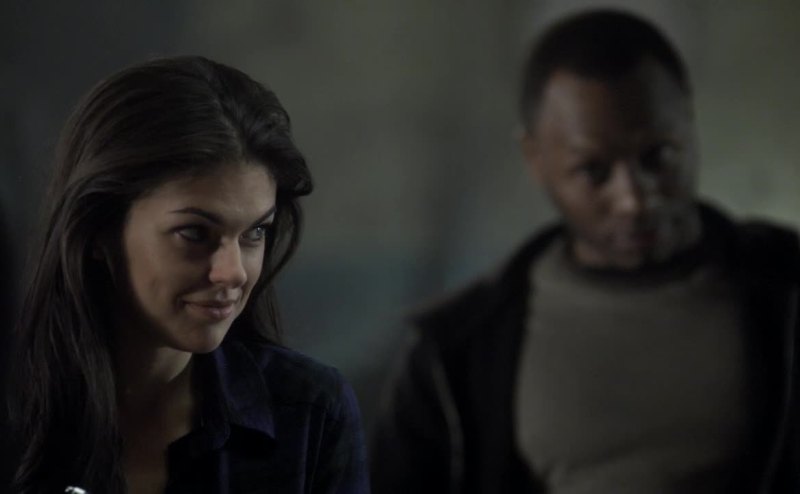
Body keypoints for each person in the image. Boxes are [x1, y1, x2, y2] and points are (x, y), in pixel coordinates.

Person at [371, 9, 800, 494]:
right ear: (536, 158)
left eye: (658, 156)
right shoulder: (455, 352)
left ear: (690, 123)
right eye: (594, 171)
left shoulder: (788, 289)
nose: (634, 199)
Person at [4, 56, 369, 493]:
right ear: (99, 229)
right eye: (195, 233)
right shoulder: (16, 415)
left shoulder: (309, 414)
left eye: (255, 232)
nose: (233, 272)